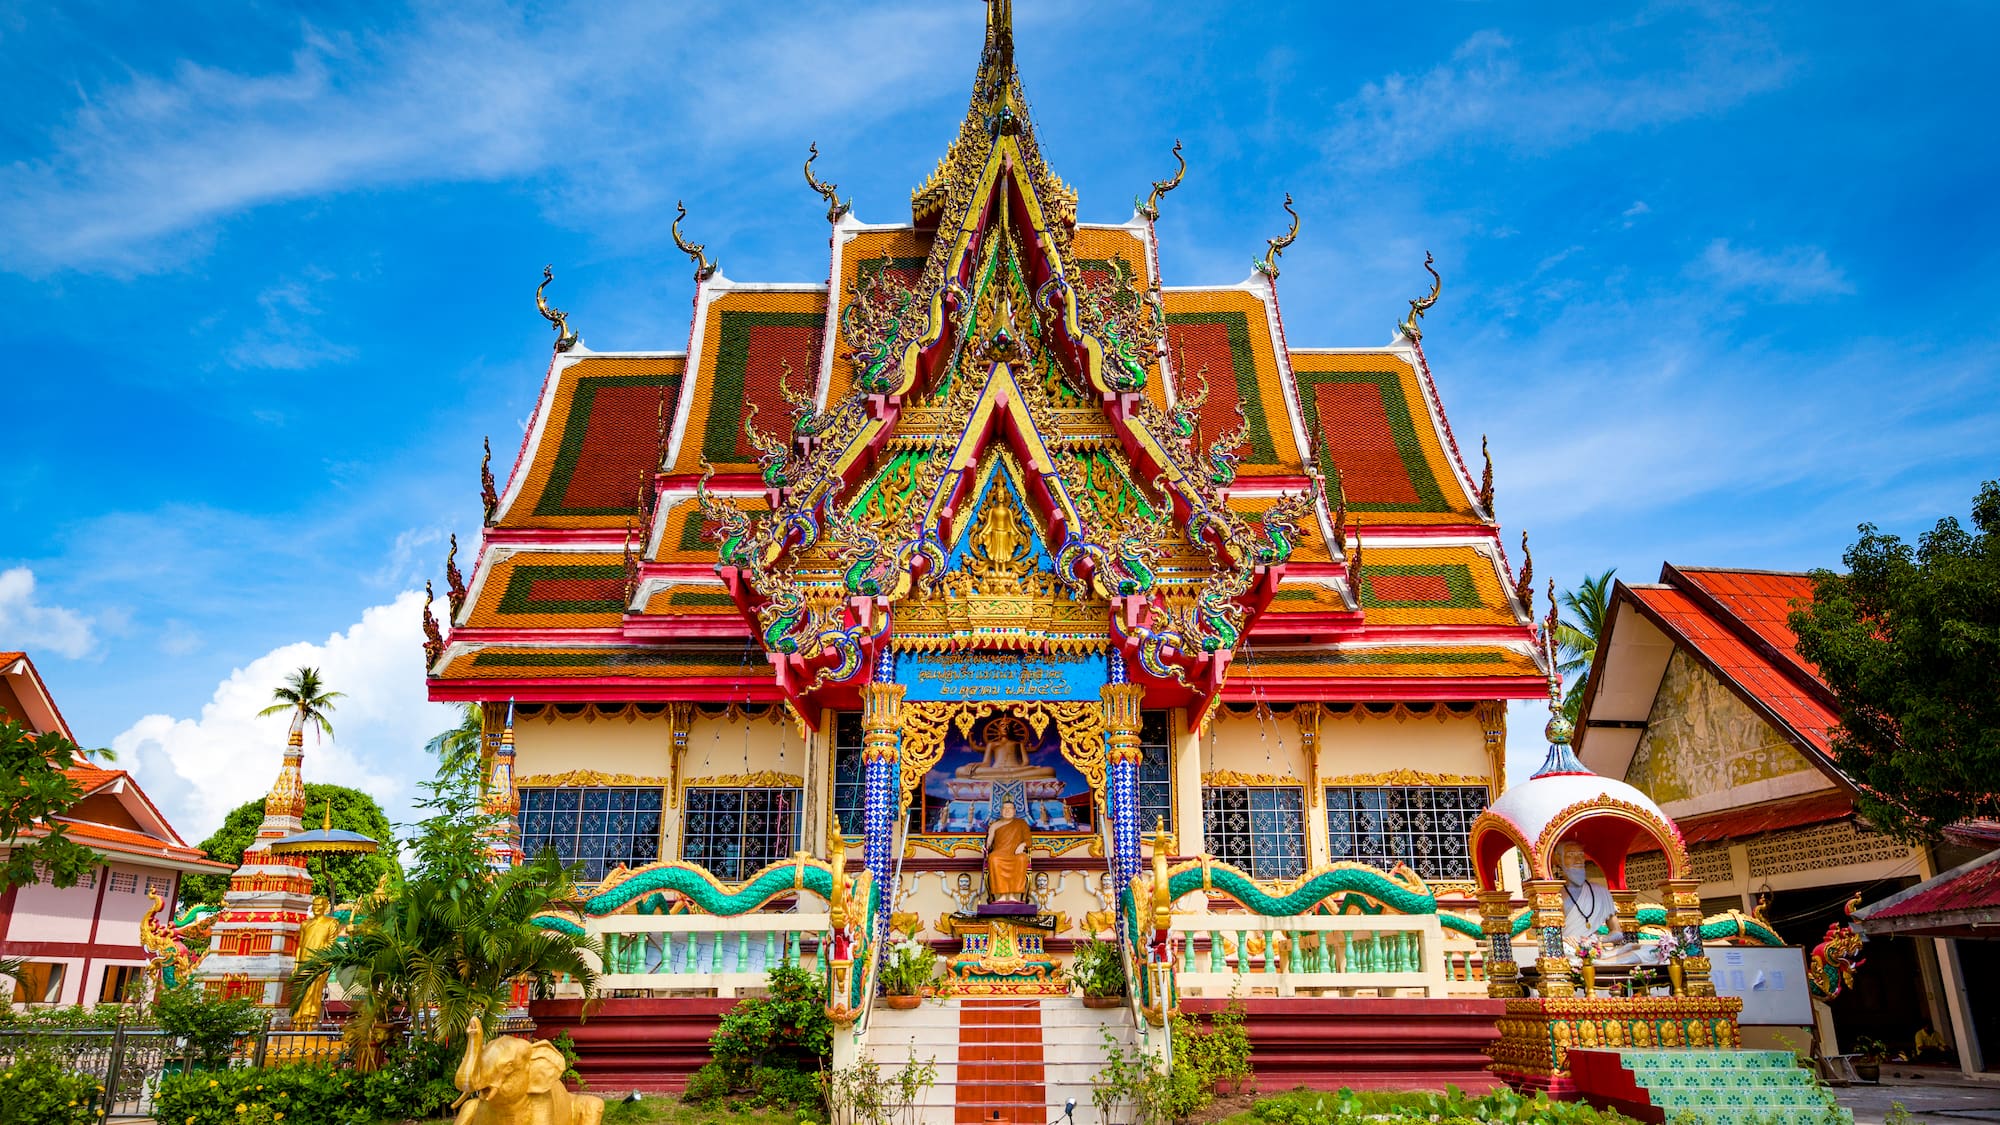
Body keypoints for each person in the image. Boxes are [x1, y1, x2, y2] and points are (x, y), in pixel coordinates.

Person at [290, 895, 344, 1025]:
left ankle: (309, 1021)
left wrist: (324, 963)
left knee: (312, 993)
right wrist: (296, 966)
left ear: (325, 907)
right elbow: (300, 945)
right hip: (303, 962)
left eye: (320, 905)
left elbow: (331, 944)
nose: (316, 908)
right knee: (300, 993)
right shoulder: (305, 924)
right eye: (314, 905)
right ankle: (297, 1021)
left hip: (318, 963)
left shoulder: (331, 923)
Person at [984, 798, 1033, 904]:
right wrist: (986, 847)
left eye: (1010, 808)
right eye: (1004, 808)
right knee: (993, 858)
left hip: (1015, 853)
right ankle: (1001, 896)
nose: (1007, 811)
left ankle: (1012, 896)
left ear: (1015, 811)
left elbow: (1029, 840)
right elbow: (989, 842)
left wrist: (1022, 845)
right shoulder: (994, 825)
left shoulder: (1021, 823)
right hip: (1000, 853)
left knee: (1022, 858)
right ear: (1001, 811)